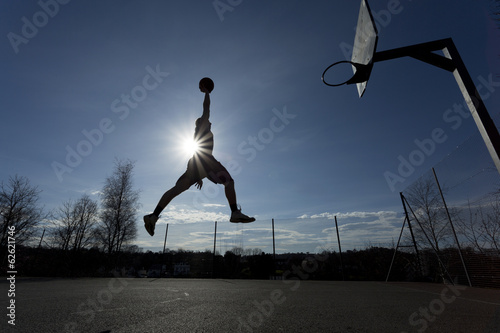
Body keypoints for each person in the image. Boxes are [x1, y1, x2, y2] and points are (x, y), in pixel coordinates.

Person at [143, 77, 255, 236]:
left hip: (196, 163)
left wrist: (200, 175)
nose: (210, 122)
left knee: (177, 189)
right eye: (207, 121)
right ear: (202, 122)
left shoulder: (200, 132)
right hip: (206, 161)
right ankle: (234, 212)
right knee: (229, 182)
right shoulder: (203, 125)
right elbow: (206, 108)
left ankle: (153, 216)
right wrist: (207, 93)